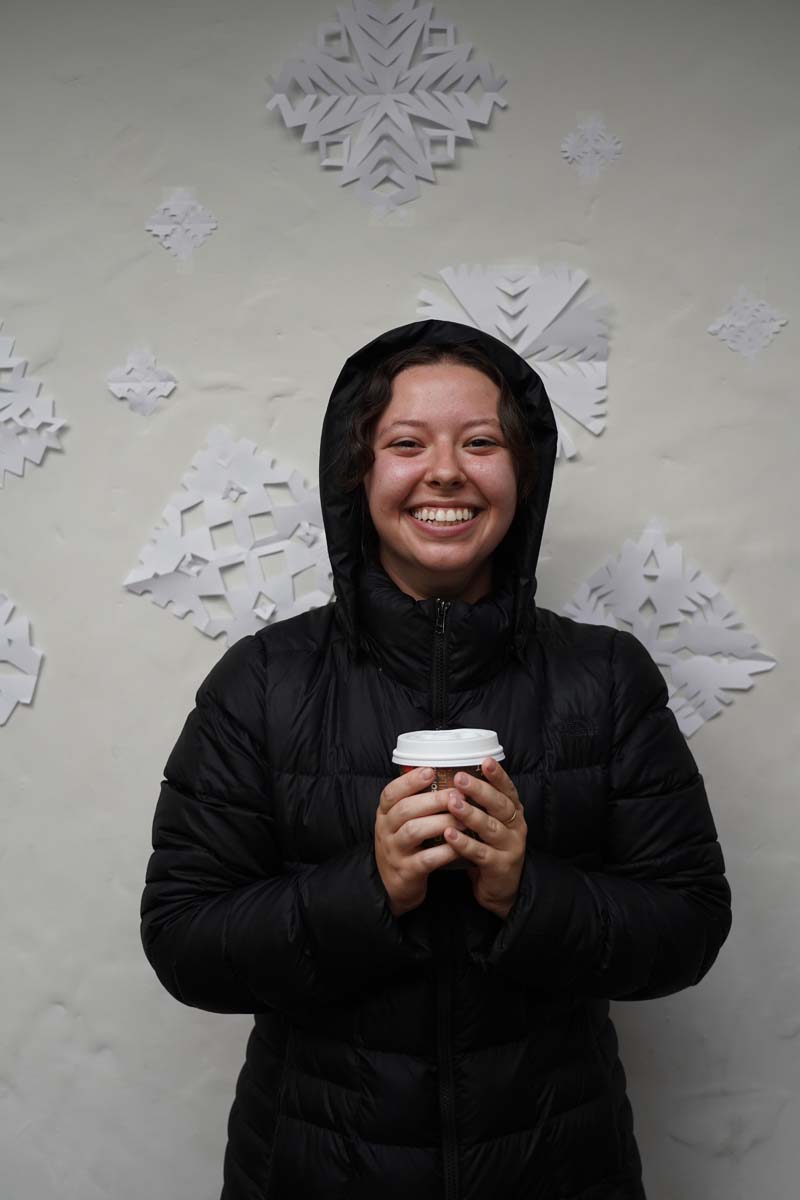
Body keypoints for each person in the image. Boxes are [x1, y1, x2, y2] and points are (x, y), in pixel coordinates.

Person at [141, 319, 732, 1200]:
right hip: (312, 1169)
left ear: (522, 477)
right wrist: (369, 889)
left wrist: (523, 892)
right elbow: (184, 941)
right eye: (406, 443)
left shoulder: (604, 678)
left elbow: (688, 926)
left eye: (481, 442)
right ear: (359, 475)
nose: (446, 472)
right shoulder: (262, 681)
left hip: (561, 1168)